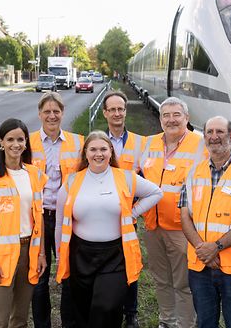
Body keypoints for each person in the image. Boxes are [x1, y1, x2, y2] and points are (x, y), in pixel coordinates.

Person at [55, 130, 163, 328]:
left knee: (106, 307)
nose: (99, 154)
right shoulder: (71, 182)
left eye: (103, 149)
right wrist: (60, 255)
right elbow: (60, 222)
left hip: (115, 256)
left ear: (111, 152)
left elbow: (156, 192)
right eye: (93, 149)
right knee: (83, 309)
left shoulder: (125, 178)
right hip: (80, 255)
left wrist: (133, 212)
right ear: (85, 153)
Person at [180, 116, 231, 328]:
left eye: (220, 132)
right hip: (200, 265)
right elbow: (184, 216)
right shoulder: (192, 172)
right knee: (205, 322)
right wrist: (203, 251)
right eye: (209, 132)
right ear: (204, 136)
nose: (214, 137)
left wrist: (215, 248)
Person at [139, 97, 207, 328]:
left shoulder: (200, 145)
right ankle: (166, 321)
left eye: (176, 114)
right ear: (160, 120)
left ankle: (185, 323)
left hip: (183, 228)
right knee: (161, 280)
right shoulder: (149, 143)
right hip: (152, 225)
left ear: (187, 118)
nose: (171, 120)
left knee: (183, 283)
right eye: (166, 115)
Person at [0, 118, 48, 328]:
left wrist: (42, 252)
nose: (16, 144)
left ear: (26, 142)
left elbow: (39, 216)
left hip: (29, 253)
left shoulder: (35, 175)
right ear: (1, 142)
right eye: (10, 139)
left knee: (20, 319)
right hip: (1, 255)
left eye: (20, 139)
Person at [30, 91, 84, 328]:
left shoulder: (78, 142)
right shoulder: (27, 142)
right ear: (40, 114)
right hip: (38, 218)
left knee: (68, 274)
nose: (52, 116)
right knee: (39, 276)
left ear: (63, 113)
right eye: (47, 112)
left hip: (66, 218)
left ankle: (68, 324)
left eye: (56, 111)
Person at [102, 90, 146, 328]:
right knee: (107, 266)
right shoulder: (96, 141)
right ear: (105, 112)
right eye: (113, 109)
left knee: (130, 262)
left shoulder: (141, 143)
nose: (117, 113)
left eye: (121, 109)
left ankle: (131, 313)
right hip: (101, 218)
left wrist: (135, 211)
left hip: (128, 218)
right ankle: (110, 310)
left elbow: (148, 182)